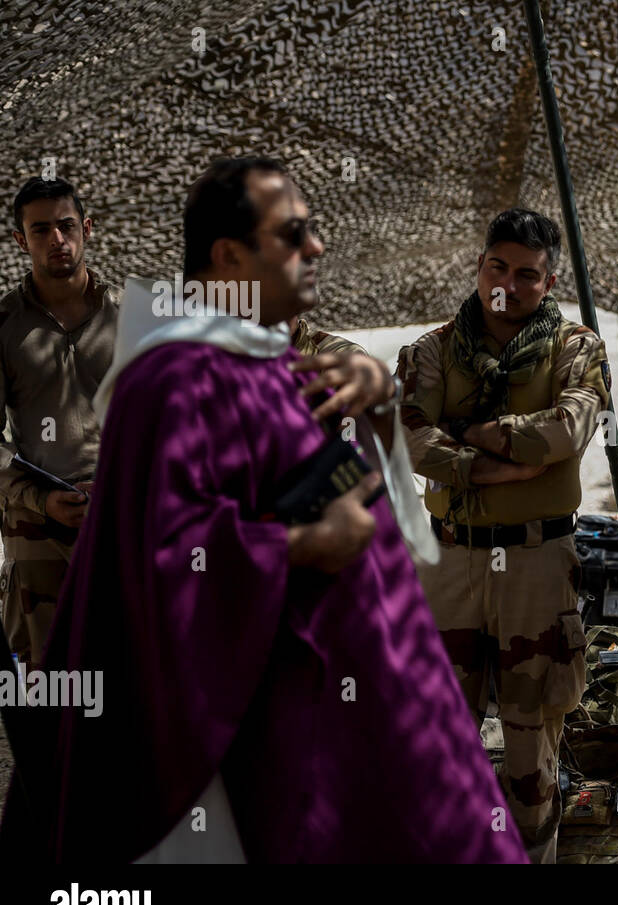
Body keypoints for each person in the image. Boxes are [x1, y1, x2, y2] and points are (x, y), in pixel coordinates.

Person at [0, 156, 525, 863]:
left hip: (351, 688)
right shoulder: (175, 377)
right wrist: (299, 544)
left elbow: (345, 485)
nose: (318, 248)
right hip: (257, 719)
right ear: (229, 255)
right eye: (294, 234)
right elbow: (172, 551)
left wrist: (376, 411)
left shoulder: (273, 362)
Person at [397, 207, 610, 863]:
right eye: (498, 267)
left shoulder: (576, 348)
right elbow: (412, 439)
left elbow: (568, 429)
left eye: (527, 274)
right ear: (479, 265)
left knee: (531, 744)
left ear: (548, 283)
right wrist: (497, 464)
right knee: (440, 735)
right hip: (451, 561)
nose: (508, 285)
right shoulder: (431, 350)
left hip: (535, 564)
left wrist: (475, 431)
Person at [0, 177, 118, 666]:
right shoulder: (4, 326)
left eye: (66, 226)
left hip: (119, 521)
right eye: (41, 229)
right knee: (46, 686)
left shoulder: (131, 317)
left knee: (130, 677)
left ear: (87, 229)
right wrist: (41, 498)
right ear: (21, 240)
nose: (57, 240)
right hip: (36, 532)